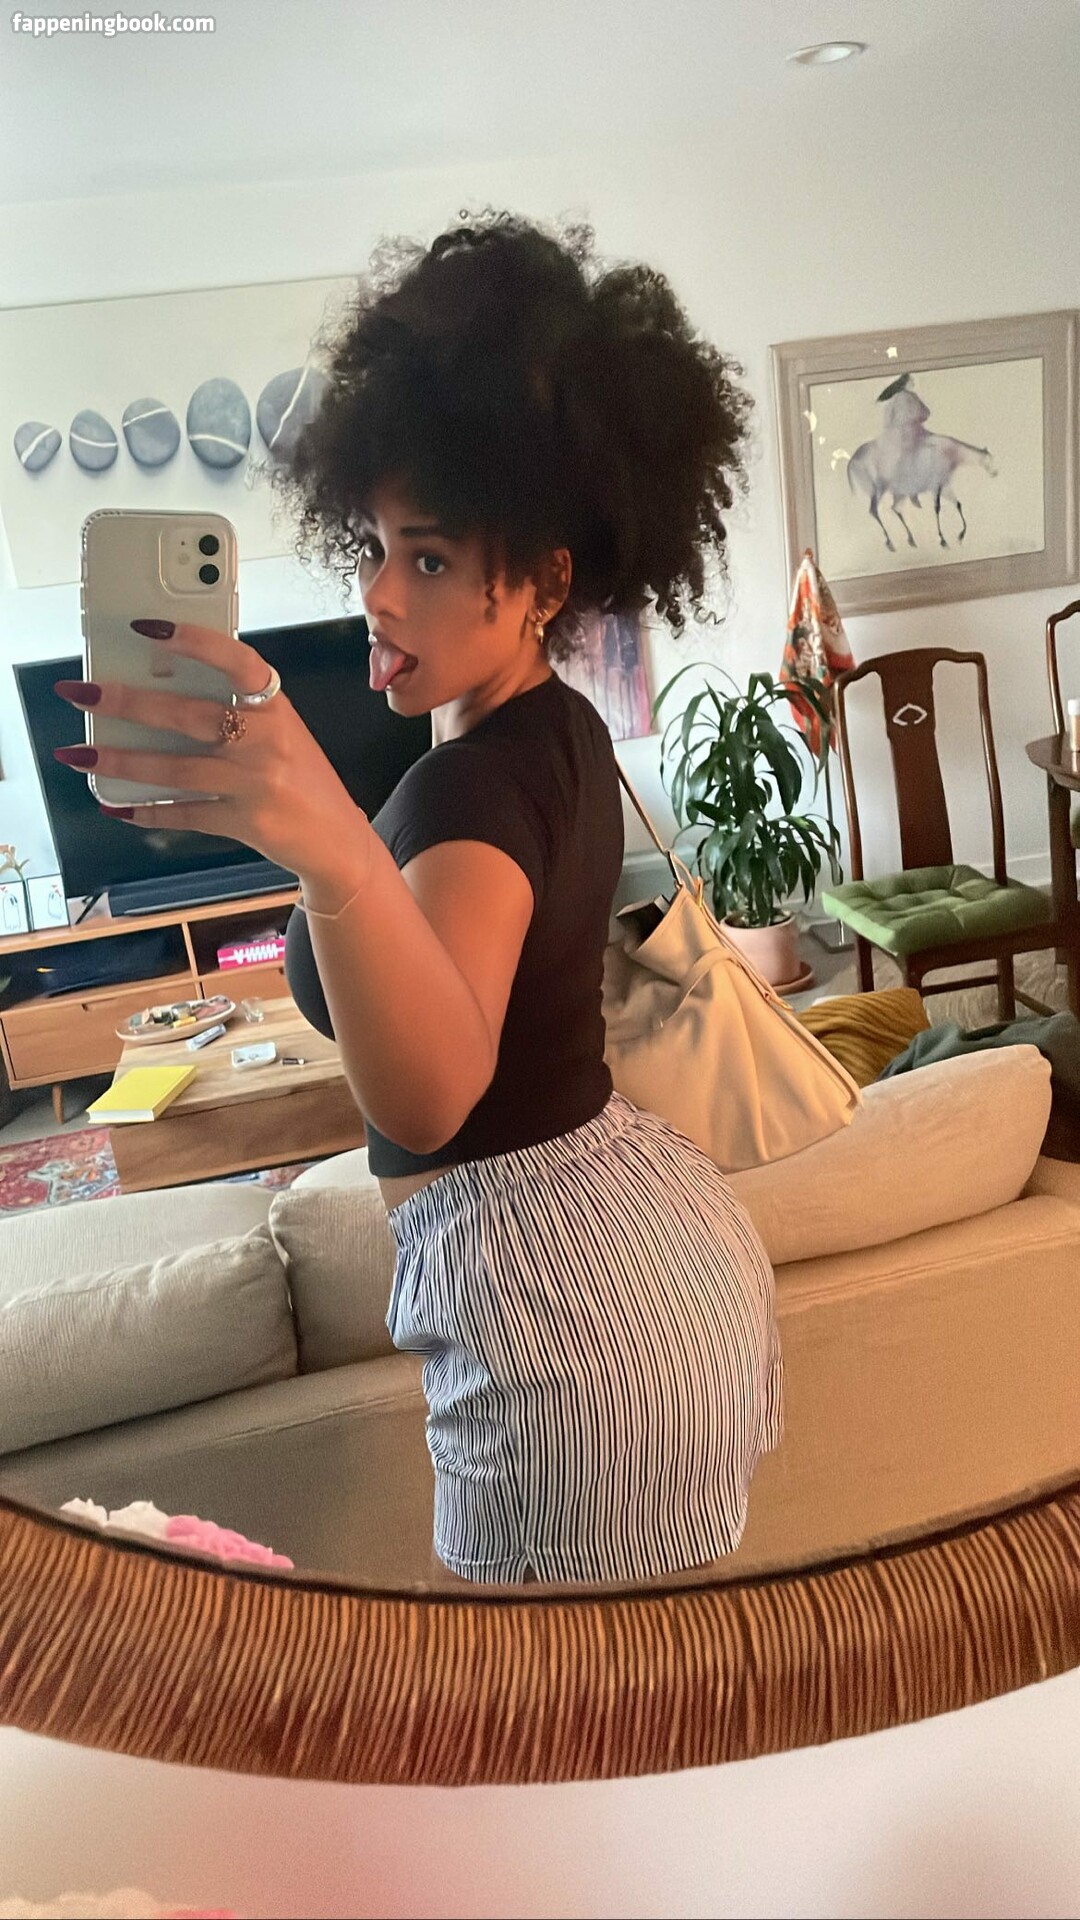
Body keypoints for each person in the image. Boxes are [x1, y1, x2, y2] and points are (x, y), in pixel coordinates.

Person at [57, 209, 782, 1589]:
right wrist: (321, 842)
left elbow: (435, 1097)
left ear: (547, 580)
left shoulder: (467, 793)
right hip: (648, 1264)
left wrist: (331, 847)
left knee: (554, 1712)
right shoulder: (553, 728)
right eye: (375, 545)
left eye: (431, 558)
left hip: (566, 1333)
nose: (379, 594)